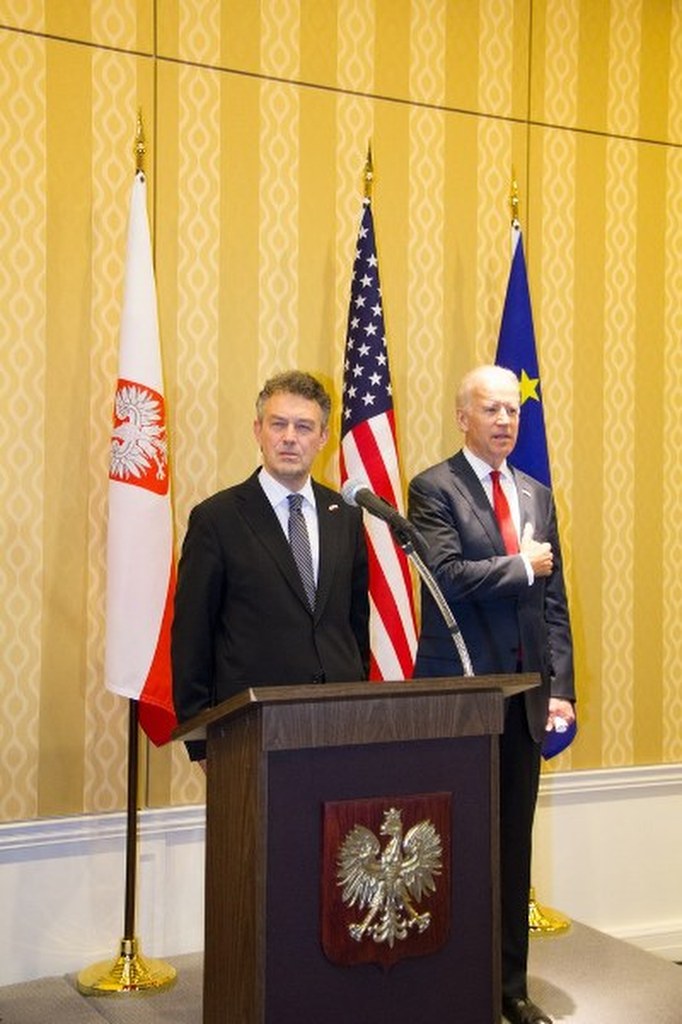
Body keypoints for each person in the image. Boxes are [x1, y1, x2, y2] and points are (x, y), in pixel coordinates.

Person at [408, 364, 575, 1024]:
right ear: (463, 417)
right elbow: (446, 576)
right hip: (459, 695)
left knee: (511, 847)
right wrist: (519, 566)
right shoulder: (433, 488)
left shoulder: (536, 493)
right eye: (491, 409)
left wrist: (559, 688)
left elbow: (552, 602)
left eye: (512, 410)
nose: (506, 420)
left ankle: (510, 989)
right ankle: (446, 982)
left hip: (524, 698)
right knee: (452, 845)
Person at [172, 370, 370, 764]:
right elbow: (192, 638)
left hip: (338, 724)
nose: (289, 437)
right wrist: (203, 745)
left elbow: (354, 624)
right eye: (278, 424)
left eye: (304, 427)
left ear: (323, 437)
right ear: (258, 431)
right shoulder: (217, 519)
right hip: (252, 729)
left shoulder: (345, 515)